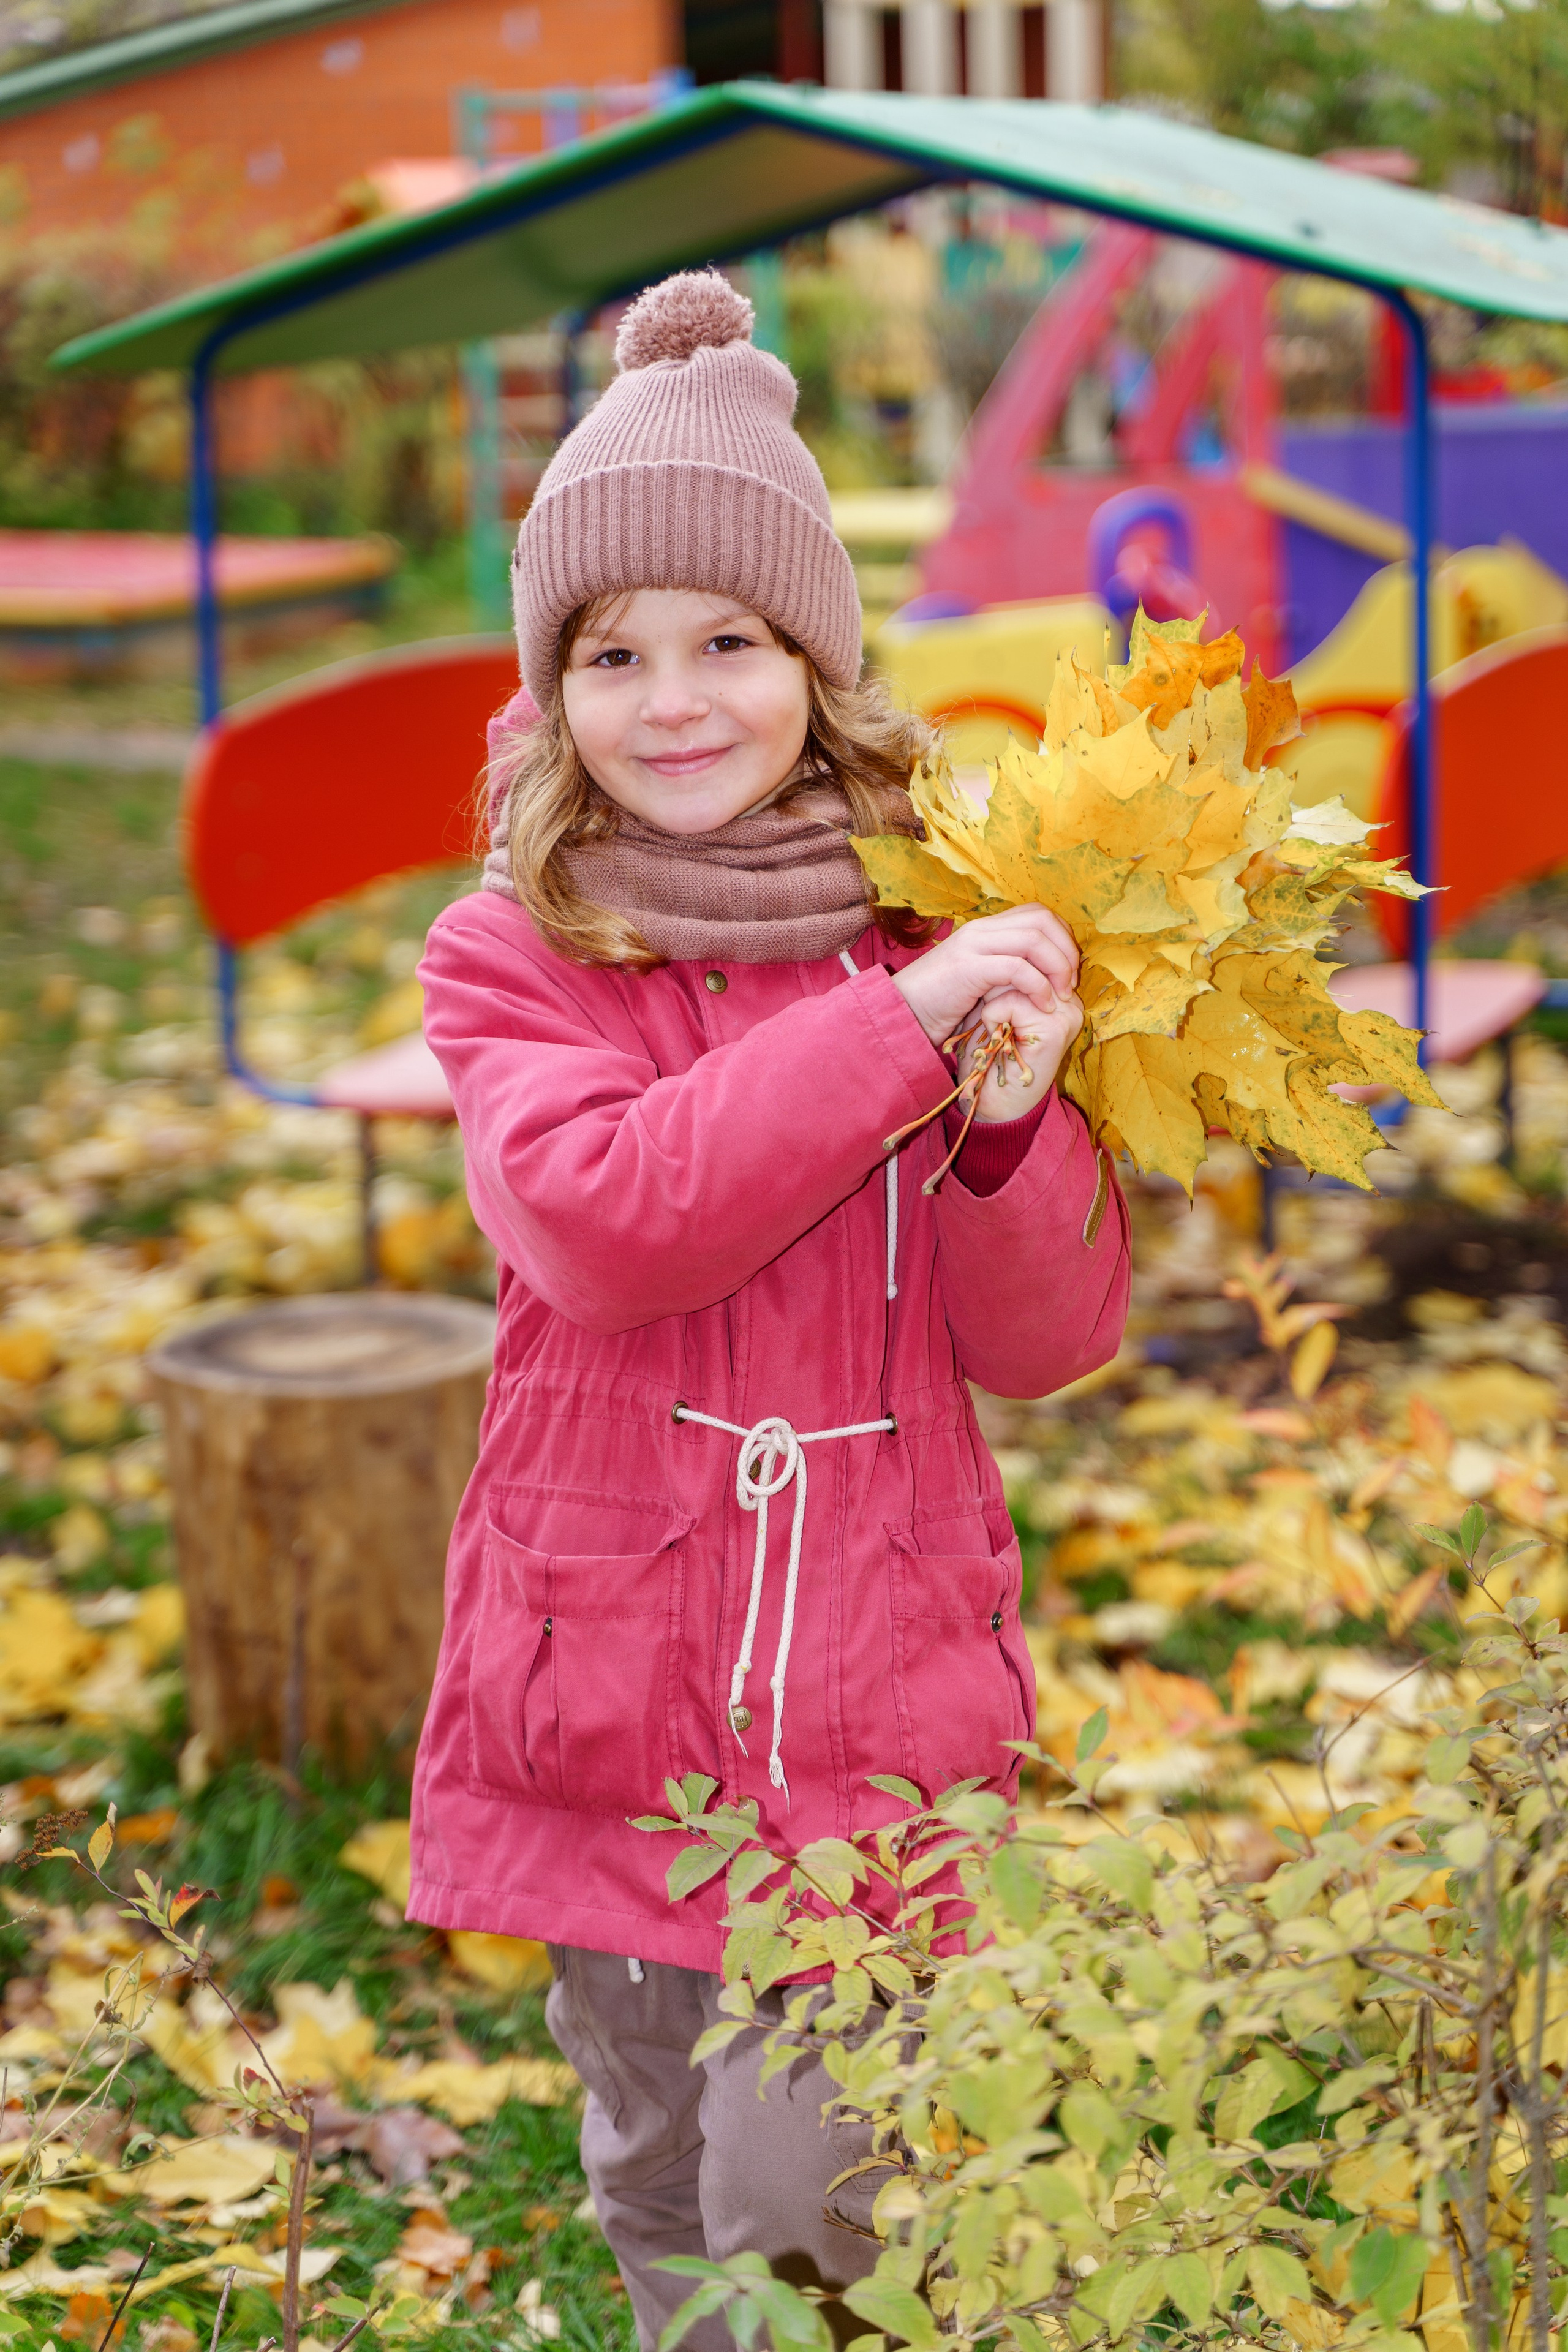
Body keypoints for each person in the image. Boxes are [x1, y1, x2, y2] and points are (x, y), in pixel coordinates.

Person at [410, 269, 1131, 2350]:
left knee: (802, 2185)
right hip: (611, 1659)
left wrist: (1000, 1135)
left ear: (816, 661)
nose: (678, 698)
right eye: (613, 654)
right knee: (652, 2159)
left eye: (730, 641)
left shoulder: (922, 934)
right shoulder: (515, 952)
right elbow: (613, 1220)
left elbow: (1049, 1339)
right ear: (554, 692)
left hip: (868, 1682)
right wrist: (900, 1039)